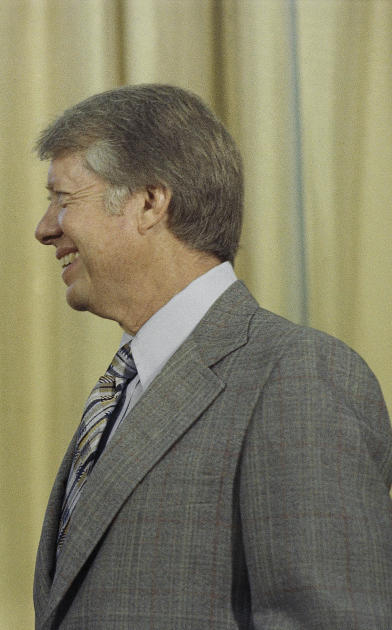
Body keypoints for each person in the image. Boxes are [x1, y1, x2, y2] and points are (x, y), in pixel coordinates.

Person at [32, 84, 392, 629]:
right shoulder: (126, 388)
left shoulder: (296, 377)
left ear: (150, 203)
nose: (45, 227)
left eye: (64, 199)